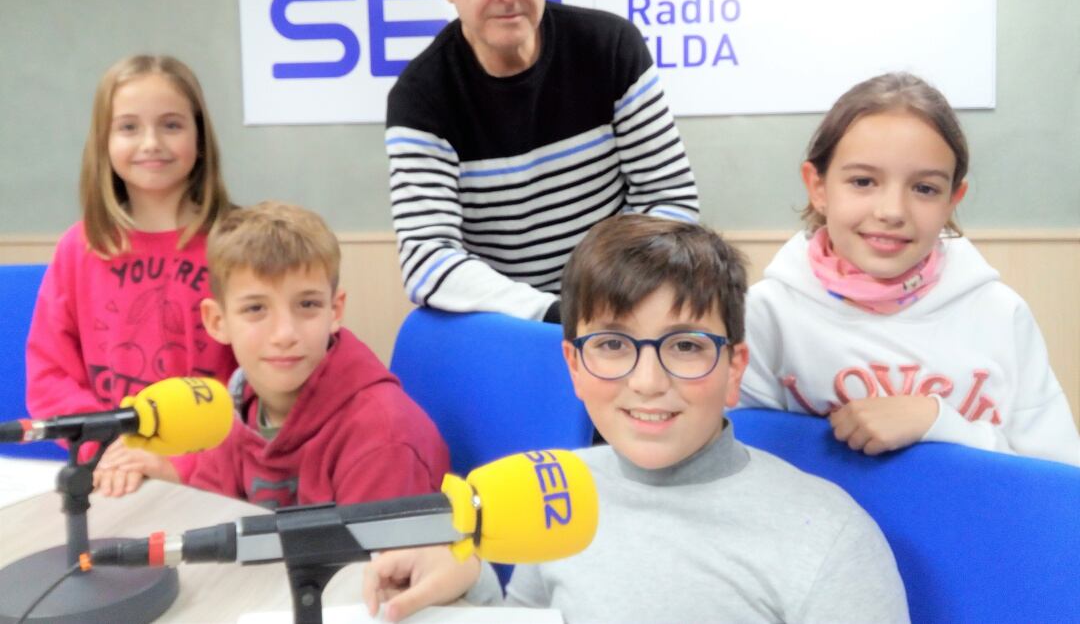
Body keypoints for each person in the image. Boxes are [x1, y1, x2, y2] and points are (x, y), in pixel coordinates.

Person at [362, 214, 909, 623]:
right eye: (612, 345)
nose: (648, 381)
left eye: (687, 347)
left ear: (734, 367)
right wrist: (469, 589)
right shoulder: (553, 490)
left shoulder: (831, 540)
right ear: (574, 365)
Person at [386, 0, 699, 323]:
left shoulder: (612, 48)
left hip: (621, 315)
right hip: (507, 331)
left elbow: (671, 201)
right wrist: (553, 315)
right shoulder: (419, 100)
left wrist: (603, 309)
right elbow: (426, 261)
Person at [739, 72, 1080, 466]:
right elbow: (745, 463)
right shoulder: (767, 314)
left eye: (925, 189)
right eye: (863, 181)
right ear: (817, 187)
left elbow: (1059, 475)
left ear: (953, 199)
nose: (892, 212)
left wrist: (939, 423)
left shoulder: (1001, 314)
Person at [126, 201, 450, 507]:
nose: (284, 335)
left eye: (307, 305)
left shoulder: (384, 438)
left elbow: (378, 566)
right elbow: (214, 516)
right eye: (256, 308)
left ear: (334, 310)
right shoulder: (236, 407)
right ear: (217, 321)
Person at [24, 54, 236, 494]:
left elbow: (267, 381)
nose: (151, 142)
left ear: (200, 138)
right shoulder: (78, 248)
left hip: (213, 478)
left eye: (172, 125)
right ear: (104, 141)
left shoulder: (238, 243)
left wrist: (182, 461)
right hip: (111, 474)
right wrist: (110, 445)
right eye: (129, 127)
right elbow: (49, 374)